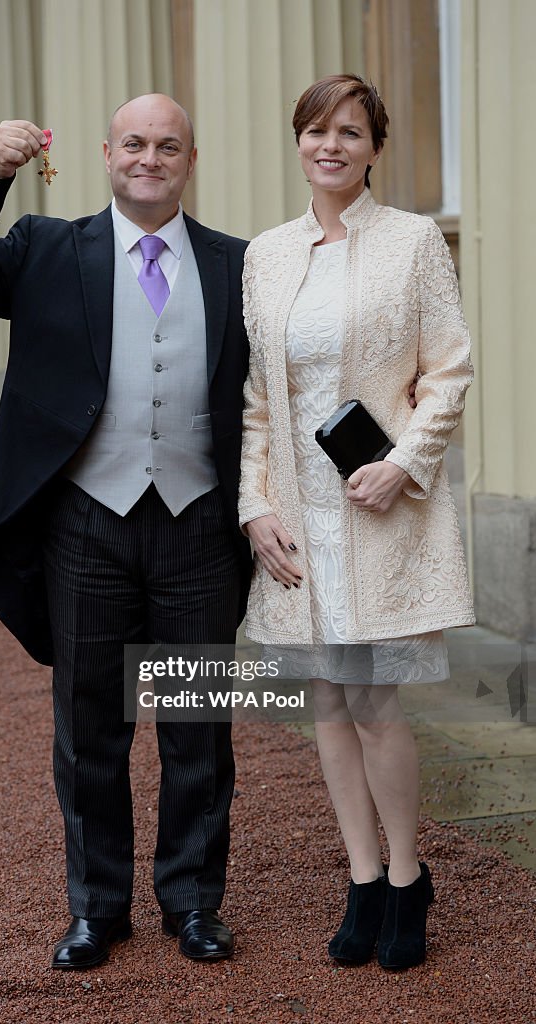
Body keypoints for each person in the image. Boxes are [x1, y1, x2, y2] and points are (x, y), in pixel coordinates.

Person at [0, 95, 252, 968]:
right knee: (90, 727)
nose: (150, 157)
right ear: (106, 153)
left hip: (197, 527)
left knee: (197, 725)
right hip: (85, 526)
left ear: (190, 157)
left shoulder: (236, 264)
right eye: (134, 143)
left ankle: (192, 904)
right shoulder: (45, 248)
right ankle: (98, 908)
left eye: (167, 145)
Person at [238, 74, 474, 970]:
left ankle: (410, 878)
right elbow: (260, 399)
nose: (330, 145)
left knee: (376, 700)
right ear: (297, 141)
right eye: (315, 131)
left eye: (349, 132)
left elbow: (447, 372)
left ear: (375, 147)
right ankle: (364, 876)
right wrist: (253, 505)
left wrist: (402, 465)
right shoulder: (267, 254)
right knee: (326, 703)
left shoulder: (412, 242)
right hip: (299, 520)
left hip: (375, 509)